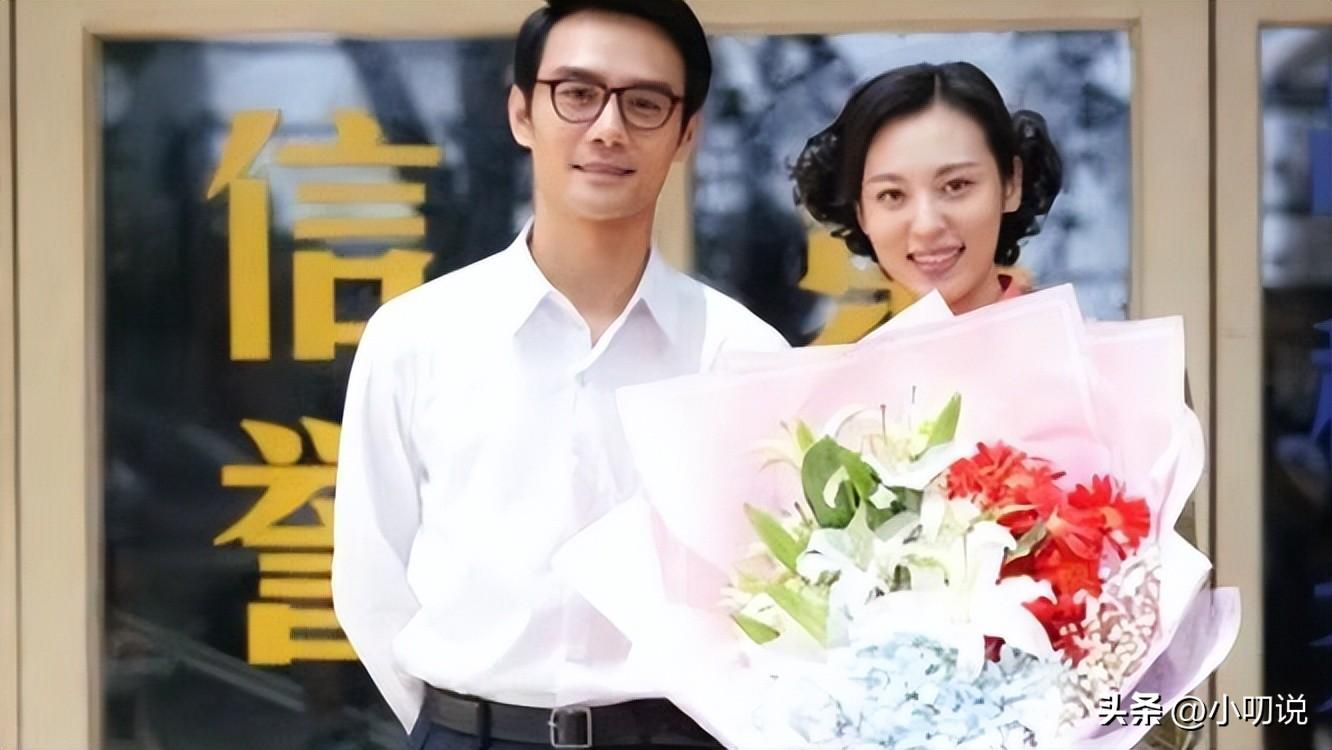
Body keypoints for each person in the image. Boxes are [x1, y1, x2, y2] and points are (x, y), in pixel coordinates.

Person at [331, 1, 787, 747]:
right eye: (577, 94)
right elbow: (370, 582)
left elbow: (773, 596)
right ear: (522, 112)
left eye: (645, 104)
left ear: (686, 134)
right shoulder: (416, 337)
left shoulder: (743, 356)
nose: (608, 128)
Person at [791, 61, 1063, 316]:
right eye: (892, 195)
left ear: (1011, 184)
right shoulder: (857, 351)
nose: (927, 226)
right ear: (860, 211)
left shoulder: (1074, 346)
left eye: (956, 185)